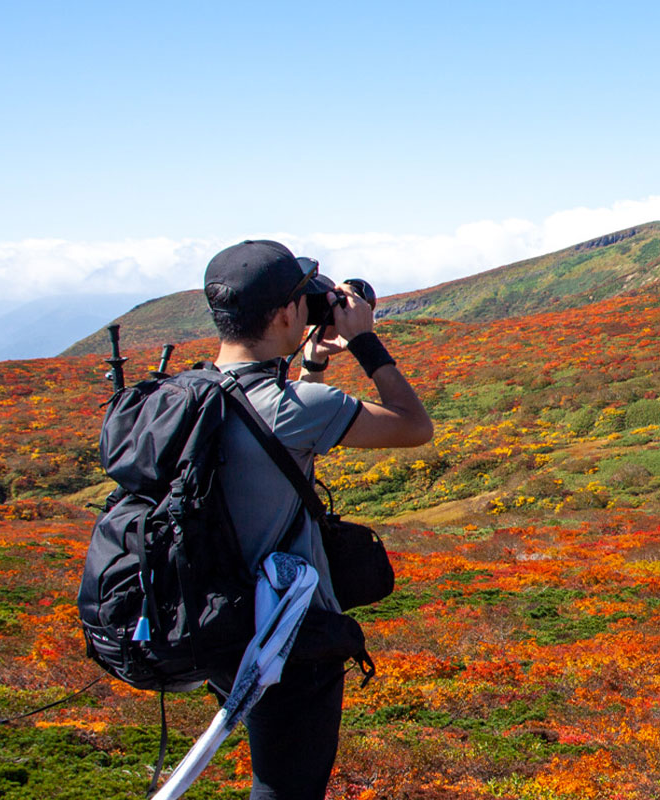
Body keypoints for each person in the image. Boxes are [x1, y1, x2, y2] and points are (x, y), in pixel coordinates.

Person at [200, 239, 433, 799]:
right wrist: (364, 340)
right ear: (284, 314)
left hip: (217, 618)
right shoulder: (289, 409)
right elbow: (412, 425)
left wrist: (314, 361)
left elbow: (284, 444)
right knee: (287, 787)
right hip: (286, 632)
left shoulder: (191, 393)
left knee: (273, 767)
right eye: (303, 300)